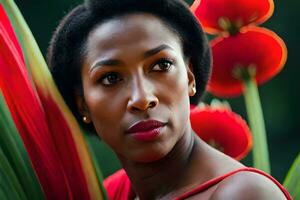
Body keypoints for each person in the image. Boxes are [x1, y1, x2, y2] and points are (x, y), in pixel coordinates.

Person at [47, 0, 292, 199]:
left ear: (190, 76)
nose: (142, 98)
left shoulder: (244, 194)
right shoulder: (107, 193)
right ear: (82, 104)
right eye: (111, 78)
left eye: (161, 65)